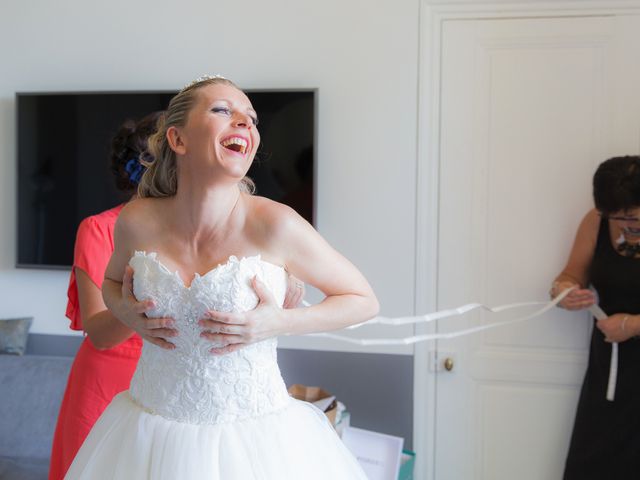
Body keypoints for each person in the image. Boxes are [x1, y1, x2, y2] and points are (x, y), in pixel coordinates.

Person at [64, 75, 378, 479]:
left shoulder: (275, 224)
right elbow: (110, 284)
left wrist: (280, 320)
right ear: (178, 140)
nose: (245, 123)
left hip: (254, 443)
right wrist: (125, 309)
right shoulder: (136, 221)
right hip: (146, 436)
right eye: (222, 110)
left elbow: (363, 299)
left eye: (251, 118)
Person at [50, 110, 307, 480]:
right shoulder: (102, 229)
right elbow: (101, 334)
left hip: (203, 393)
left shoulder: (242, 223)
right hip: (116, 383)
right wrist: (141, 307)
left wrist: (280, 283)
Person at [550, 155, 640, 479]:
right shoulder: (596, 222)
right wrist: (565, 292)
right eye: (614, 216)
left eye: (631, 217)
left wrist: (632, 325)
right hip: (611, 374)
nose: (624, 225)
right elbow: (570, 276)